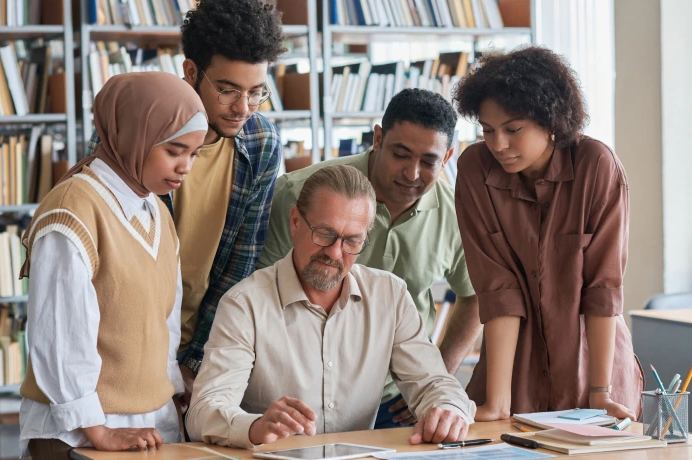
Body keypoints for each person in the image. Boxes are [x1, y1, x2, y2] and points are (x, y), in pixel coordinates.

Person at [186, 165, 476, 449]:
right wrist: (253, 426)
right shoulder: (244, 304)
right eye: (324, 234)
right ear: (295, 222)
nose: (335, 253)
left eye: (352, 241)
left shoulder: (391, 295)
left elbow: (433, 382)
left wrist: (448, 409)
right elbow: (203, 412)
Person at [85, 0, 286, 404]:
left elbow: (239, 269)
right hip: (118, 344)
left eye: (256, 92)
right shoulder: (135, 130)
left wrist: (193, 362)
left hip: (202, 343)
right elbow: (107, 264)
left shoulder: (262, 144)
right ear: (191, 72)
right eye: (228, 90)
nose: (242, 109)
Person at [258, 88, 480, 428]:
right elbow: (264, 294)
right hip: (302, 394)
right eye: (401, 154)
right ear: (377, 138)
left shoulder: (459, 214)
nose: (412, 173)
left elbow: (473, 296)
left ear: (448, 157)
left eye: (429, 161)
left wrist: (439, 374)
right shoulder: (298, 193)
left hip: (395, 399)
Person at [17, 72, 207, 459]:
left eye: (194, 153)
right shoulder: (72, 210)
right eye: (174, 151)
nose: (186, 166)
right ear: (133, 135)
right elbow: (58, 336)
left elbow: (162, 324)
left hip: (151, 426)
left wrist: (171, 392)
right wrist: (97, 429)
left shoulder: (157, 210)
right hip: (79, 434)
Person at [451, 46, 644, 422]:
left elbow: (603, 289)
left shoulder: (597, 166)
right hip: (512, 373)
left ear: (551, 120)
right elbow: (498, 288)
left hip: (594, 366)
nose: (498, 145)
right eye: (487, 130)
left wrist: (599, 392)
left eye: (513, 129)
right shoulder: (474, 170)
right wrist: (499, 401)